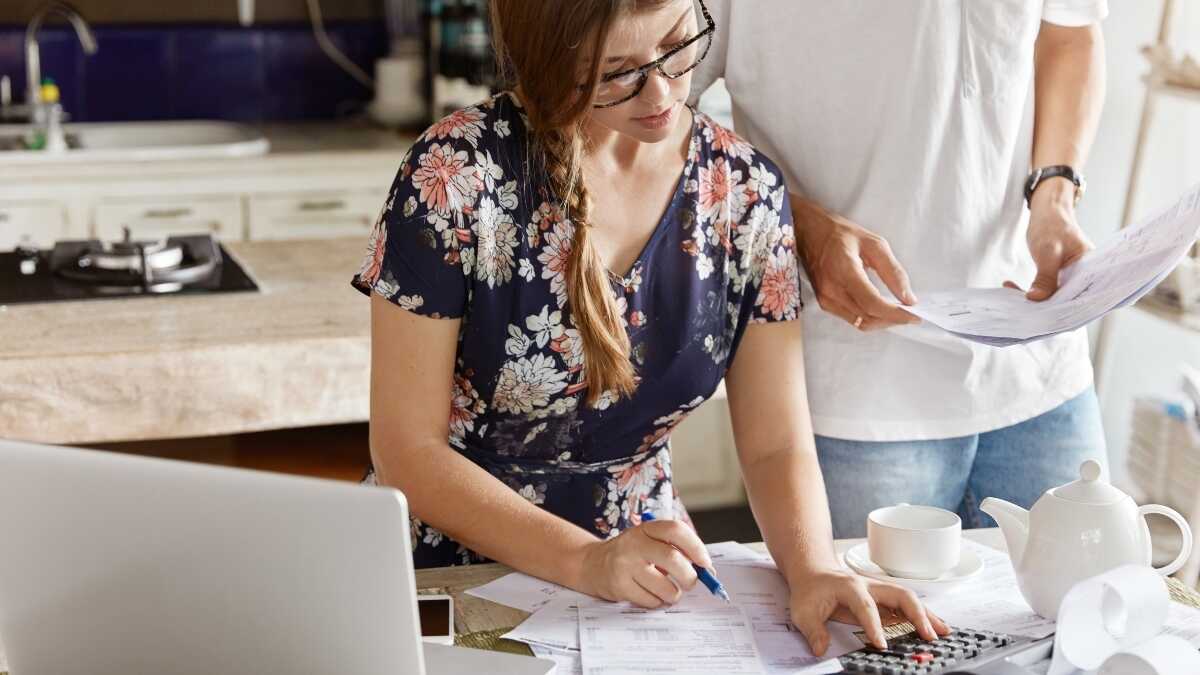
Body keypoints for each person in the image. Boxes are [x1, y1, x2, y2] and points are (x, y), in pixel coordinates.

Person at [353, 0, 948, 655]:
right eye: (617, 72)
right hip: (454, 567)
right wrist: (587, 561)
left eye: (675, 45)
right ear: (553, 63)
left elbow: (776, 441)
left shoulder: (745, 191)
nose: (663, 91)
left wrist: (815, 568)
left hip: (650, 578)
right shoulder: (454, 177)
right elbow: (408, 453)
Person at [689, 1, 1110, 538]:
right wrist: (802, 226)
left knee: (1085, 612)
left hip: (1040, 365)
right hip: (853, 383)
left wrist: (1055, 191)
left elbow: (1072, 36)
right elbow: (658, 103)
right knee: (878, 623)